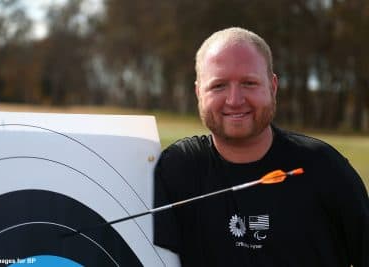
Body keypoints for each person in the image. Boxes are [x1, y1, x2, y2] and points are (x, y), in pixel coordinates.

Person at [153, 27, 369, 267]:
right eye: (218, 86)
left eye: (249, 83)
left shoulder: (325, 168)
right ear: (198, 92)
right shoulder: (177, 169)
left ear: (272, 86)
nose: (235, 100)